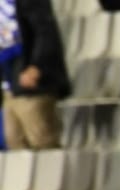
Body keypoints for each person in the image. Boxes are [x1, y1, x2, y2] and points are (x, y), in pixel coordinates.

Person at [0, 0, 71, 150]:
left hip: (32, 82)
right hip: (9, 82)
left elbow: (45, 31)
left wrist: (37, 66)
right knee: (14, 140)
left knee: (41, 141)